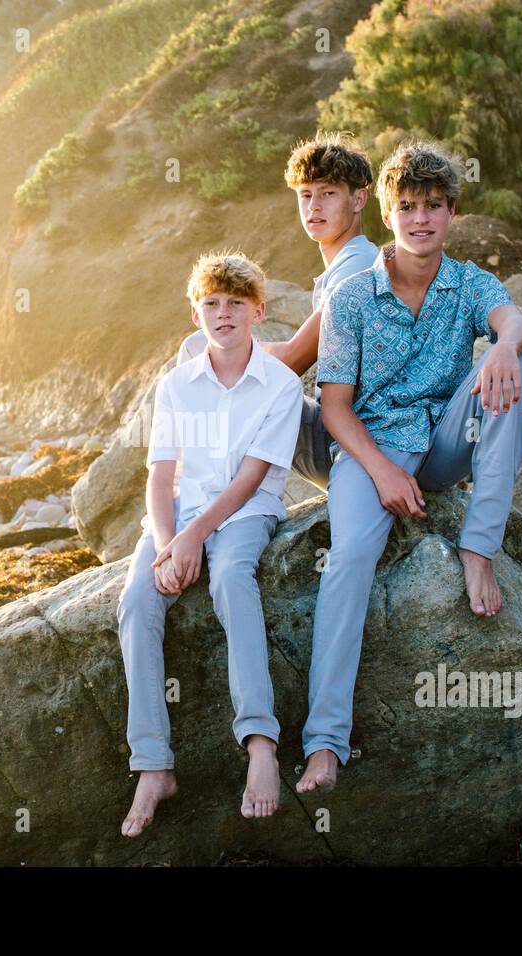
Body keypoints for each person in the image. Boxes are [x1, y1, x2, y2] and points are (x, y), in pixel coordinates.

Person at [296, 140, 522, 795]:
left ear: (452, 212)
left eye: (433, 206)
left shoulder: (468, 283)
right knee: (348, 561)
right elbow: (336, 407)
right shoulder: (351, 295)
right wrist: (379, 472)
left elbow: (515, 320)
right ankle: (324, 745)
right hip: (369, 447)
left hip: (440, 445)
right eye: (407, 207)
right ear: (388, 211)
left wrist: (502, 349)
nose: (421, 219)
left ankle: (478, 549)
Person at [118, 251, 303, 837]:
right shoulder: (175, 384)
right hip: (180, 514)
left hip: (248, 510)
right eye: (212, 304)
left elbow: (251, 478)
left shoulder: (282, 383)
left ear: (258, 312)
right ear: (196, 315)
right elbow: (159, 475)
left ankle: (260, 743)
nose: (224, 313)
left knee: (229, 579)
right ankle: (152, 764)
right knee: (137, 602)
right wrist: (170, 540)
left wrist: (196, 537)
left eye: (236, 303)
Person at [175, 132, 380, 491]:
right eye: (305, 195)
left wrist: (236, 347)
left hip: (348, 448)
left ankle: (196, 485)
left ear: (359, 198)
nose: (314, 206)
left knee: (199, 346)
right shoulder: (348, 262)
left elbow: (291, 361)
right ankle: (201, 481)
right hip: (342, 436)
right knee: (211, 352)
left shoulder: (357, 266)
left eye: (328, 193)